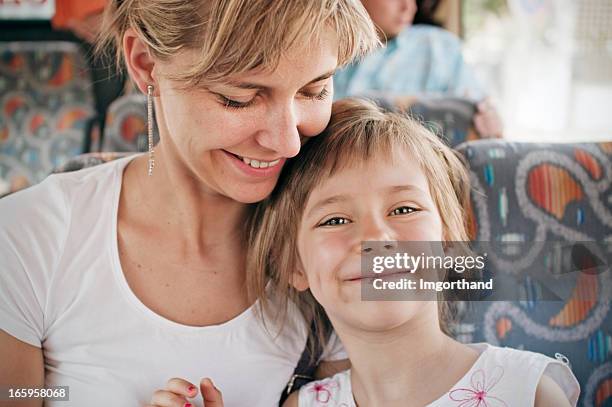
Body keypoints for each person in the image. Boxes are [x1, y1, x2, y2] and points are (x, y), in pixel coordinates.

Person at [0, 1, 380, 406]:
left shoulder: (348, 237)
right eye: (239, 98)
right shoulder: (25, 237)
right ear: (146, 64)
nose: (287, 141)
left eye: (315, 90)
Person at [245, 99, 577, 406]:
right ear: (294, 266)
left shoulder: (528, 392)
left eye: (404, 210)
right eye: (335, 219)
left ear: (446, 239)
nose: (377, 236)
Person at [334, 0, 503, 138]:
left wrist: (489, 119)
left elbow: (480, 114)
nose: (409, 7)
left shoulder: (440, 48)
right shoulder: (327, 44)